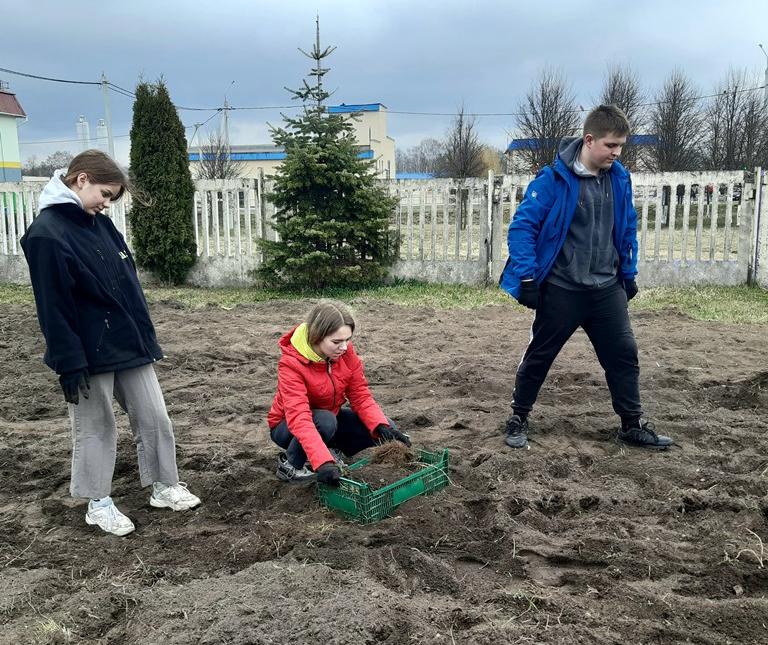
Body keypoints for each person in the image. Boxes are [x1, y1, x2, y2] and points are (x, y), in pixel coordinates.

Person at [20, 150, 200, 537]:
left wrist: (144, 334)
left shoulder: (98, 223)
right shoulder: (46, 234)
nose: (106, 203)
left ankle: (164, 486)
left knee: (155, 417)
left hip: (127, 341)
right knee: (96, 427)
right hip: (86, 352)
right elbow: (53, 306)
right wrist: (69, 361)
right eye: (105, 193)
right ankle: (98, 504)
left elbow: (127, 281)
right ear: (80, 179)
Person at [499, 105, 673, 451]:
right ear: (589, 140)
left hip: (606, 287)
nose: (616, 153)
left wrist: (628, 272)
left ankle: (631, 424)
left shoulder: (619, 178)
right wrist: (529, 277)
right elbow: (522, 228)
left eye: (621, 146)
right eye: (611, 145)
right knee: (540, 354)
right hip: (563, 288)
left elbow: (626, 227)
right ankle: (518, 417)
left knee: (623, 352)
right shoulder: (552, 180)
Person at [267, 300, 410, 486]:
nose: (344, 347)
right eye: (337, 341)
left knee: (380, 431)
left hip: (329, 419)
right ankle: (292, 466)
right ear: (317, 337)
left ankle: (329, 448)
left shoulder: (344, 353)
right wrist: (323, 463)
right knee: (325, 421)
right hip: (287, 426)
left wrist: (382, 426)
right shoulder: (291, 364)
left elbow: (360, 394)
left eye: (347, 339)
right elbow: (299, 417)